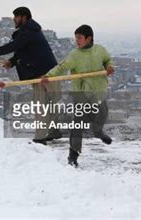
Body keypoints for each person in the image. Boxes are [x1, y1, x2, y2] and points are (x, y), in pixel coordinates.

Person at [0, 6, 61, 143]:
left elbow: (13, 47)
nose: (14, 19)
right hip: (46, 72)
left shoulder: (27, 32)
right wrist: (11, 62)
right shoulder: (30, 31)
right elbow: (23, 50)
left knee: (41, 105)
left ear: (24, 17)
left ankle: (41, 137)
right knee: (49, 103)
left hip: (43, 74)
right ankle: (54, 131)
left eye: (16, 17)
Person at [41, 24, 114, 167]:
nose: (77, 41)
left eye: (80, 38)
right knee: (77, 125)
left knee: (102, 114)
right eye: (76, 38)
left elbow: (107, 60)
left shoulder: (100, 50)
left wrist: (110, 67)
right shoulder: (74, 55)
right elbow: (62, 67)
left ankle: (98, 132)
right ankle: (73, 156)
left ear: (89, 38)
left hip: (98, 91)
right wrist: (48, 76)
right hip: (81, 94)